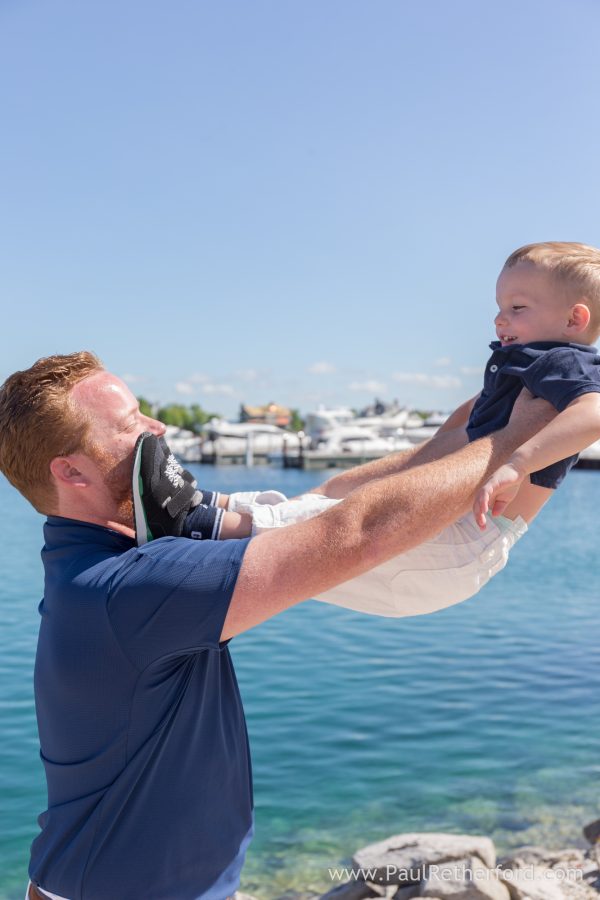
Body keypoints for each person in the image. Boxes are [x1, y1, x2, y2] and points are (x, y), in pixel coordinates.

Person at [0, 353, 554, 900]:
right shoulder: (130, 587)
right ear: (71, 471)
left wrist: (477, 419)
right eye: (130, 424)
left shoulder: (114, 552)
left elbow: (318, 503)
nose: (157, 428)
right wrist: (514, 442)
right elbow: (356, 534)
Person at [134, 241, 600, 618]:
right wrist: (436, 447)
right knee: (324, 509)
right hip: (450, 536)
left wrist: (518, 463)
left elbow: (594, 412)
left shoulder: (564, 361)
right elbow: (468, 416)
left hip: (464, 538)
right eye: (499, 307)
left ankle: (196, 524)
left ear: (574, 319)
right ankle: (210, 508)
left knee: (329, 528)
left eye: (517, 307)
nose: (500, 319)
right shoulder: (527, 363)